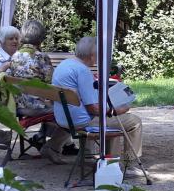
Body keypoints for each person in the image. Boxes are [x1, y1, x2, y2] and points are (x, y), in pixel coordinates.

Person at [44, 36, 144, 171]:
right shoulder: (83, 71)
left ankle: (87, 156)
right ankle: (129, 165)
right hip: (81, 121)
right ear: (92, 56)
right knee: (134, 121)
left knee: (111, 118)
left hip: (64, 117)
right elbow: (93, 109)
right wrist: (117, 110)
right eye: (97, 55)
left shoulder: (64, 64)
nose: (97, 59)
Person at [7, 20, 54, 116]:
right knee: (63, 109)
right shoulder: (42, 57)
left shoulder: (14, 56)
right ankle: (46, 131)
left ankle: (44, 131)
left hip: (17, 107)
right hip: (38, 107)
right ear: (40, 38)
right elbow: (51, 84)